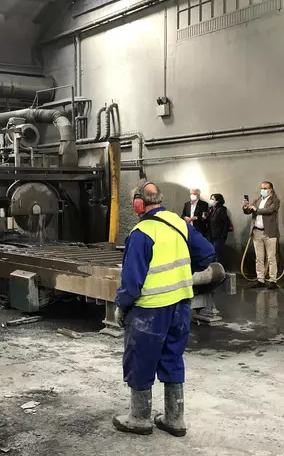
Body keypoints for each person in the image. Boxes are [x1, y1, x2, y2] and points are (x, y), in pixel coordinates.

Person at [113, 181, 214, 437]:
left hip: (150, 310)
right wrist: (183, 272)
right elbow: (207, 253)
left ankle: (139, 418)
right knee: (172, 357)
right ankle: (174, 419)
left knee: (140, 360)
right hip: (181, 305)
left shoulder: (141, 233)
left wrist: (121, 305)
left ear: (138, 204)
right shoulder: (179, 222)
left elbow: (132, 282)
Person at [243, 181, 281, 288]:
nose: (263, 190)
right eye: (262, 188)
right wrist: (245, 206)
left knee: (271, 257)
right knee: (259, 257)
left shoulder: (275, 200)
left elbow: (270, 210)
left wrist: (257, 209)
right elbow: (248, 211)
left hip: (269, 232)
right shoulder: (258, 200)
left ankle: (273, 280)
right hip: (257, 232)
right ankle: (260, 279)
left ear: (270, 189)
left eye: (265, 188)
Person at [206, 193, 232, 263]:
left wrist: (223, 235)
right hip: (211, 235)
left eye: (212, 199)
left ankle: (218, 268)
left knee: (217, 255)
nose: (211, 201)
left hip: (218, 236)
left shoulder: (221, 209)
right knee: (211, 253)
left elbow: (226, 223)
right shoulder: (212, 209)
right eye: (210, 199)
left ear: (218, 200)